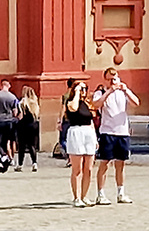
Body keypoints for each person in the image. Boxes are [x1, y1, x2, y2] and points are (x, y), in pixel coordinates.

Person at [93, 67, 136, 203]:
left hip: (122, 132)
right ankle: (101, 194)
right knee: (104, 163)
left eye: (115, 78)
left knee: (121, 164)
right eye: (110, 79)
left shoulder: (122, 93)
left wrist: (126, 89)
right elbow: (96, 105)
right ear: (105, 79)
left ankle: (121, 193)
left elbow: (136, 102)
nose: (113, 81)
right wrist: (109, 91)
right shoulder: (100, 92)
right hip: (108, 132)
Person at [60, 79, 96, 207]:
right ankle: (76, 197)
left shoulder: (87, 104)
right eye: (81, 89)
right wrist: (76, 93)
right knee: (77, 169)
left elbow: (91, 121)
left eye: (85, 88)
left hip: (88, 133)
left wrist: (95, 138)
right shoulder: (70, 102)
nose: (84, 91)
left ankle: (84, 196)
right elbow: (73, 108)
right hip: (76, 132)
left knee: (89, 168)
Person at [14, 86, 41, 172]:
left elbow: (20, 115)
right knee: (32, 145)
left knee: (21, 145)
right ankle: (34, 163)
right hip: (34, 125)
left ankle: (20, 164)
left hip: (23, 125)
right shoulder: (35, 103)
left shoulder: (22, 103)